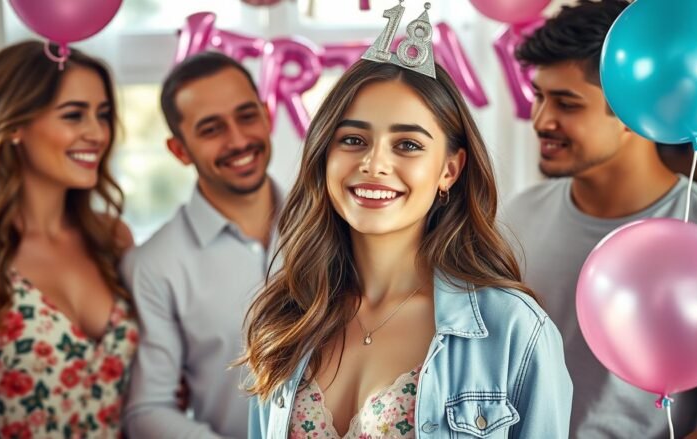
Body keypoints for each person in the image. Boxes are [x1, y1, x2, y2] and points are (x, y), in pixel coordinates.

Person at [241, 53, 573, 437]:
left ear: (449, 169)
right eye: (352, 139)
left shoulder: (514, 330)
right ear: (325, 155)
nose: (374, 163)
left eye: (408, 145)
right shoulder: (287, 318)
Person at [502, 1, 697, 437]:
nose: (541, 120)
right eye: (539, 97)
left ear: (633, 107)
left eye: (566, 104)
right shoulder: (514, 216)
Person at [0, 40, 136, 438]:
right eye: (74, 115)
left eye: (103, 114)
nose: (97, 132)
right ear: (14, 124)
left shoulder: (113, 239)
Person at [122, 51, 281, 438]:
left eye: (246, 116)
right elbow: (148, 409)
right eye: (212, 129)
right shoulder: (153, 265)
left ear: (266, 114)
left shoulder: (336, 225)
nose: (239, 140)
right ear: (179, 150)